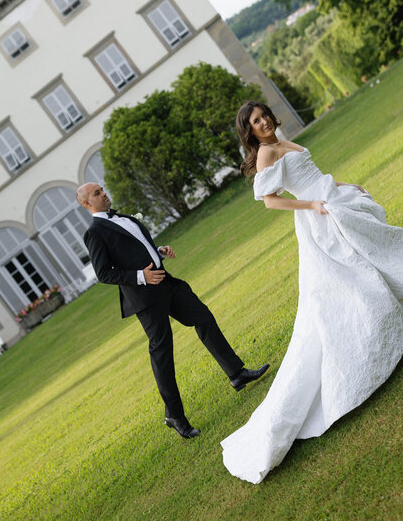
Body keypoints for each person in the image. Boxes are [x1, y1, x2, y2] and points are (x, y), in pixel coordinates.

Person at [221, 101, 403, 483]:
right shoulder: (266, 152)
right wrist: (313, 204)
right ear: (249, 130)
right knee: (377, 259)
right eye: (256, 121)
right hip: (322, 216)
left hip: (334, 201)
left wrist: (344, 186)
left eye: (264, 115)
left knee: (383, 253)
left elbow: (313, 174)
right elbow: (271, 200)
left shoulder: (283, 140)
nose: (264, 121)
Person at [76, 182, 270, 439]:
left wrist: (158, 253)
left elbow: (133, 250)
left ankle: (236, 373)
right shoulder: (95, 232)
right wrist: (141, 276)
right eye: (96, 193)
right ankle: (175, 416)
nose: (104, 194)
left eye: (102, 189)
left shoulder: (121, 217)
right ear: (87, 204)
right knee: (163, 353)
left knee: (203, 317)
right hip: (146, 297)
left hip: (166, 283)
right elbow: (104, 273)